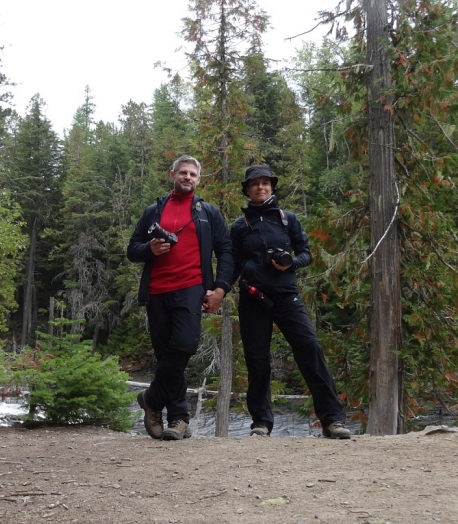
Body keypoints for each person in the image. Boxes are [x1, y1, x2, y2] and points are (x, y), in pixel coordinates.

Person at [231, 164, 352, 439]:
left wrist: (291, 264)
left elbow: (306, 254)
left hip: (287, 295)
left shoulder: (289, 220)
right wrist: (220, 288)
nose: (261, 187)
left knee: (310, 348)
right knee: (257, 360)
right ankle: (261, 423)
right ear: (247, 189)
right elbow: (233, 263)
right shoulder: (239, 227)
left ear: (272, 187)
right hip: (253, 298)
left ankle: (332, 420)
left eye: (265, 183)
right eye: (255, 184)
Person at [127, 155, 234, 441]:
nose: (187, 177)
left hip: (192, 288)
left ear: (199, 180)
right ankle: (177, 418)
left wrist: (221, 288)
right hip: (156, 291)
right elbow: (132, 249)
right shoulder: (153, 211)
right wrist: (149, 249)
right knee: (166, 356)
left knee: (184, 345)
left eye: (193, 174)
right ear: (173, 174)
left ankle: (151, 398)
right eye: (183, 172)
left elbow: (226, 250)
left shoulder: (207, 213)